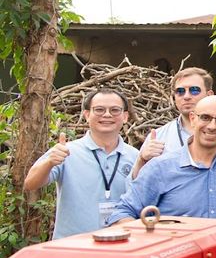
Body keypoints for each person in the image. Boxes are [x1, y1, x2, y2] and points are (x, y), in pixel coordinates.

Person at [108, 96, 216, 224]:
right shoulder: (161, 168)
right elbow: (121, 214)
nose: (212, 126)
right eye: (205, 117)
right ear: (193, 119)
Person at [24, 88, 138, 238]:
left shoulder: (135, 156)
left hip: (120, 245)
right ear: (86, 115)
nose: (107, 115)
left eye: (115, 110)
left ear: (125, 116)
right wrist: (49, 162)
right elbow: (30, 184)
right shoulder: (66, 151)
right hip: (72, 249)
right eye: (99, 110)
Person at [132, 67, 216, 178]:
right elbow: (134, 187)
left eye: (194, 90)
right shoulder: (159, 137)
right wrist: (142, 160)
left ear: (209, 95)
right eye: (180, 91)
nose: (186, 96)